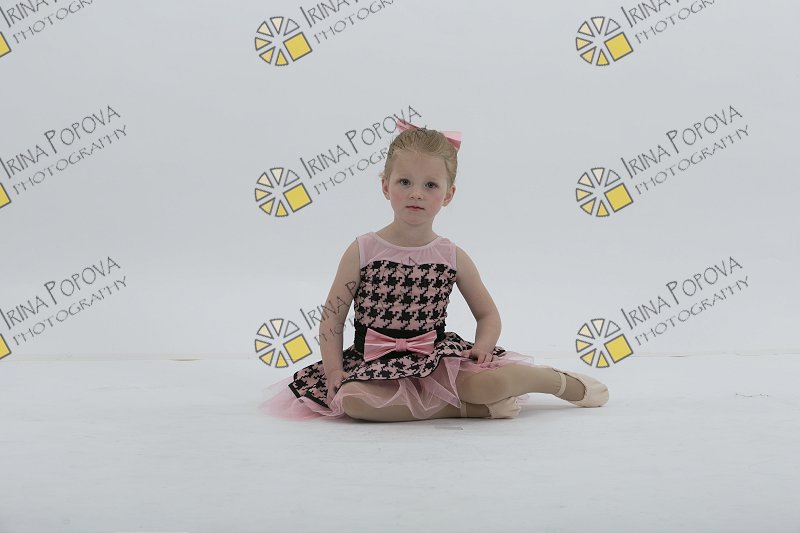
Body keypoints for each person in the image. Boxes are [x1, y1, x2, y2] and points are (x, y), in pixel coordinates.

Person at [260, 118, 609, 422]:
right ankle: (465, 410)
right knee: (352, 402)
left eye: (430, 185)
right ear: (385, 185)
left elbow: (487, 314)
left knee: (490, 384)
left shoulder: (450, 255)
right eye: (404, 182)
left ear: (448, 194)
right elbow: (332, 319)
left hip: (436, 360)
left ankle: (552, 380)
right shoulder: (363, 250)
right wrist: (335, 370)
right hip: (373, 364)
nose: (417, 193)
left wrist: (484, 346)